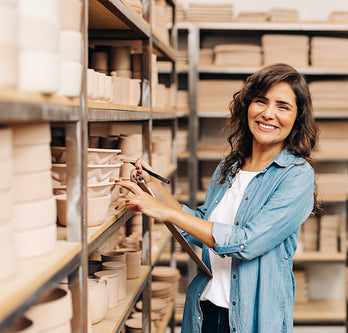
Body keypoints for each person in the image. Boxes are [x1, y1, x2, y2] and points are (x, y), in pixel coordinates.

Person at [115, 63, 319, 333]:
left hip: (252, 319)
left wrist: (167, 212)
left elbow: (247, 242)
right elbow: (200, 225)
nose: (268, 114)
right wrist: (153, 187)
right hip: (205, 308)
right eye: (261, 101)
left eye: (283, 106)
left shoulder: (297, 176)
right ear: (247, 106)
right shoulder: (230, 166)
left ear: (297, 117)